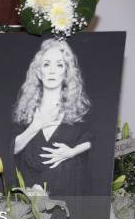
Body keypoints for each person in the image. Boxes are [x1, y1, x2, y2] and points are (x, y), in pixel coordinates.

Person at [12, 38, 92, 196]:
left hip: (66, 198)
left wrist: (72, 152)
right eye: (46, 64)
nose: (52, 71)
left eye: (59, 65)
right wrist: (36, 125)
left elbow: (93, 139)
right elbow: (11, 149)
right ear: (39, 72)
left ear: (66, 73)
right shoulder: (25, 110)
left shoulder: (78, 110)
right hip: (27, 196)